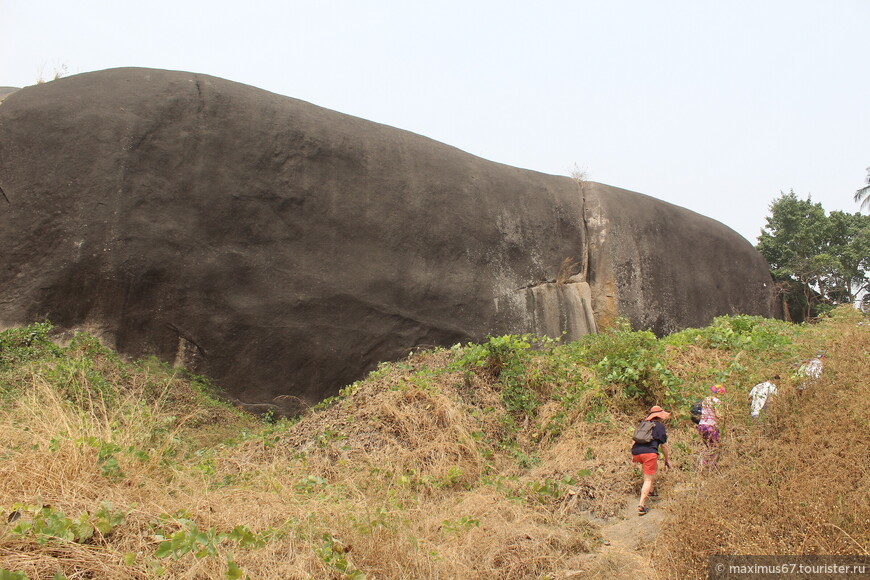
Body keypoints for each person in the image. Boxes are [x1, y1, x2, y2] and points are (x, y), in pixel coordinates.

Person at [631, 405, 671, 516]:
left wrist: (633, 457)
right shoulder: (659, 427)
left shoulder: (643, 424)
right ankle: (641, 505)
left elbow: (634, 441)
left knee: (651, 469)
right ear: (660, 416)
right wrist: (667, 460)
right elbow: (664, 446)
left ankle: (651, 491)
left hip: (636, 452)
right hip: (649, 453)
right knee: (647, 479)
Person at [698, 384, 724, 470]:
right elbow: (719, 414)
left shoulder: (705, 400)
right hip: (711, 427)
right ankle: (708, 466)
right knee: (715, 447)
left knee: (709, 447)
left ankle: (707, 465)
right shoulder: (717, 401)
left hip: (702, 426)